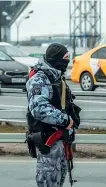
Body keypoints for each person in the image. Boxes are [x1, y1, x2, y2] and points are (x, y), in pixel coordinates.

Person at [25, 43, 81, 187]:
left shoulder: (56, 76)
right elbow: (38, 108)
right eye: (65, 58)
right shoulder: (40, 79)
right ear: (56, 59)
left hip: (59, 140)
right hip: (47, 140)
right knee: (48, 182)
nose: (67, 61)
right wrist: (65, 120)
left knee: (57, 181)